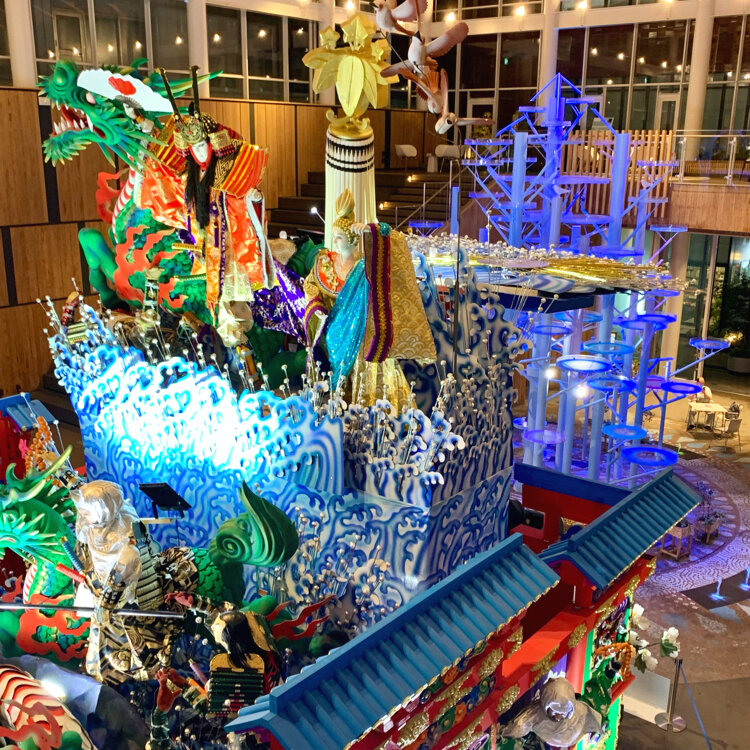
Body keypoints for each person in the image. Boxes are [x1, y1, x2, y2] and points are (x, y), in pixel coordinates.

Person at [302, 188, 436, 408]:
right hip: (335, 334)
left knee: (371, 377)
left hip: (365, 337)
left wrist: (371, 230)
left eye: (339, 237)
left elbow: (392, 241)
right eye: (333, 236)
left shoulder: (366, 266)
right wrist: (314, 303)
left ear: (353, 240)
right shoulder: (325, 262)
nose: (334, 241)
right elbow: (310, 285)